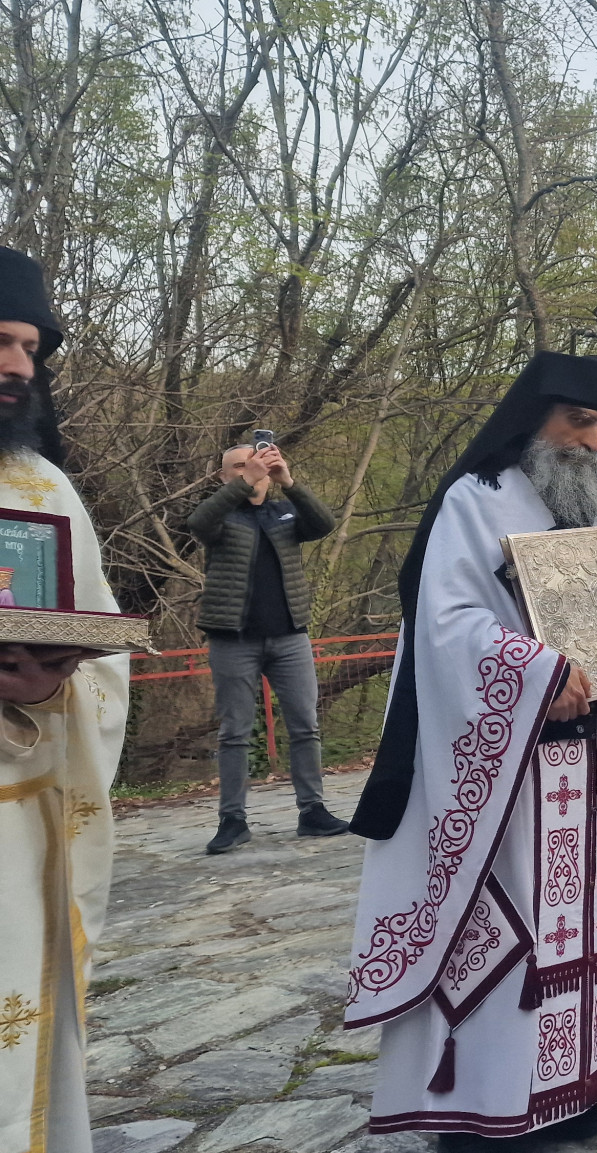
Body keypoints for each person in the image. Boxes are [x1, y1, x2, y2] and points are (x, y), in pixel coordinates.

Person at [344, 352, 597, 1149]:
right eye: (577, 421)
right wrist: (537, 670)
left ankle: (578, 1084)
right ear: (535, 418)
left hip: (590, 764)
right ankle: (491, 1102)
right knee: (510, 935)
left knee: (587, 930)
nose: (591, 440)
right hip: (507, 773)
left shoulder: (586, 512)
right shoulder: (476, 498)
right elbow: (447, 624)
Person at [0, 246, 131, 1153]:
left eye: (29, 348)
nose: (18, 365)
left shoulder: (47, 489)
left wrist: (53, 677)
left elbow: (103, 654)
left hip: (22, 824)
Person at [187, 439, 344, 853]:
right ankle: (232, 820)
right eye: (238, 466)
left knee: (305, 726)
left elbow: (324, 524)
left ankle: (313, 811)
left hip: (289, 636)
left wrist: (288, 481)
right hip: (233, 638)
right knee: (235, 732)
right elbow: (199, 523)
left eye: (254, 462)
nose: (249, 469)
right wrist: (245, 483)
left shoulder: (284, 512)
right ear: (224, 476)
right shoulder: (222, 517)